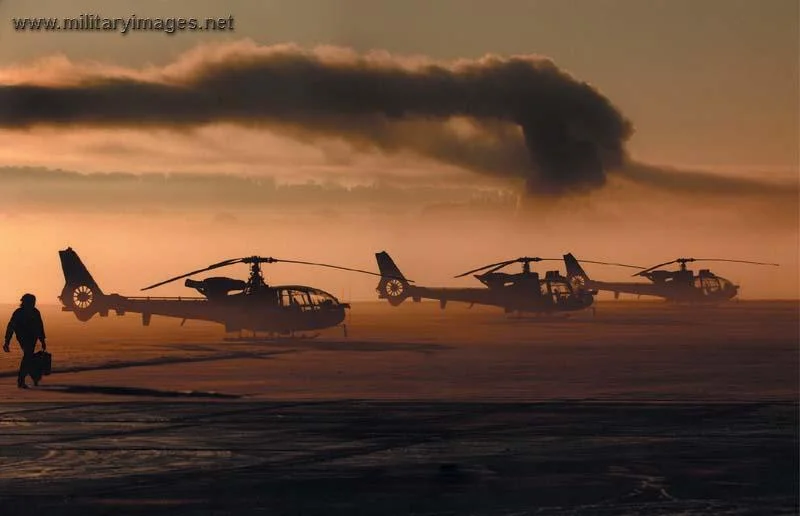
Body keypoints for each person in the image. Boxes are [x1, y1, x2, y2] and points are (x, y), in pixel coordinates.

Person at [3, 293, 47, 389]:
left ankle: (32, 377)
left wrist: (42, 340)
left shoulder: (35, 312)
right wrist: (7, 341)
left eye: (34, 302)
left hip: (33, 338)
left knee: (29, 357)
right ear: (25, 302)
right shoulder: (18, 313)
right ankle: (23, 379)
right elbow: (11, 327)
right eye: (31, 302)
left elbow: (40, 326)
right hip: (23, 338)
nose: (33, 304)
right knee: (28, 356)